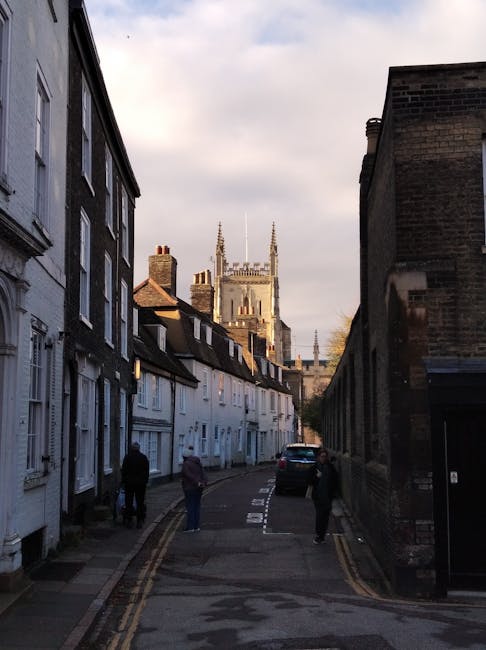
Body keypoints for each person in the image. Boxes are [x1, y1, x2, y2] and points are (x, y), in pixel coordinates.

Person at [308, 447, 338, 544]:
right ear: (318, 457)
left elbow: (335, 481)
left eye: (325, 457)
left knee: (325, 517)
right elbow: (308, 481)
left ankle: (322, 535)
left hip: (328, 497)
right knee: (320, 516)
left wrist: (334, 494)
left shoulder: (330, 467)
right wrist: (316, 477)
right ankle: (318, 535)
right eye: (322, 456)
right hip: (318, 496)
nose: (323, 458)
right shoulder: (314, 468)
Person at [121, 441, 149, 529]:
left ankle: (129, 520)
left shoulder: (127, 457)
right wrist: (145, 481)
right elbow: (146, 471)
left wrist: (124, 480)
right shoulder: (143, 458)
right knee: (140, 502)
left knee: (128, 502)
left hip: (129, 483)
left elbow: (124, 470)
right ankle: (139, 521)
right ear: (139, 449)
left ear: (131, 448)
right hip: (140, 484)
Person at [181, 446, 207, 532]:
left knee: (190, 507)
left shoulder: (186, 464)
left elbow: (188, 475)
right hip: (199, 488)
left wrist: (197, 482)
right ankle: (196, 526)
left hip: (190, 488)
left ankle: (190, 527)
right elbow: (203, 473)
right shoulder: (198, 462)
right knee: (196, 506)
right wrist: (203, 482)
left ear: (185, 456)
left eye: (183, 457)